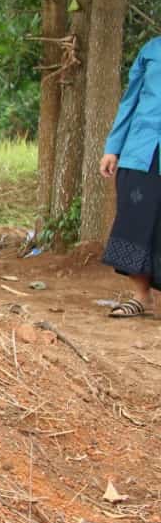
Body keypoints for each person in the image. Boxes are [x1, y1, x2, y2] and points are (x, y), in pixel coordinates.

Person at [99, 35, 161, 318]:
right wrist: (113, 148)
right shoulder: (150, 49)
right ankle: (141, 297)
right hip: (142, 149)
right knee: (135, 222)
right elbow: (130, 101)